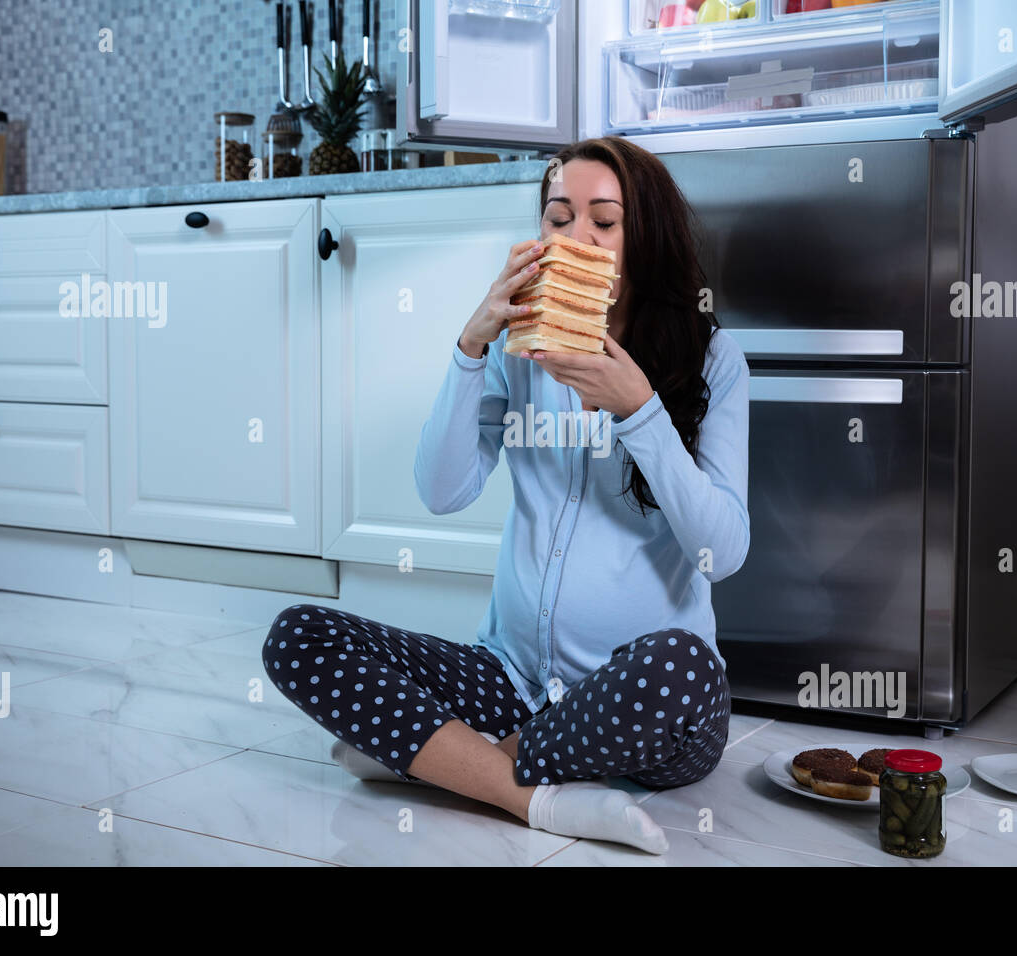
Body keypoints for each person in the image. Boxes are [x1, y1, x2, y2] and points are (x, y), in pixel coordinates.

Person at [263, 136, 750, 855]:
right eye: (558, 218)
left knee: (683, 668)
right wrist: (471, 346)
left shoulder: (713, 359)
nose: (575, 236)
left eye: (604, 222)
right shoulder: (519, 353)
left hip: (643, 700)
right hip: (514, 681)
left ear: (645, 238)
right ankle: (532, 799)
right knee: (300, 637)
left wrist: (640, 412)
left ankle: (440, 762)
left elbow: (724, 554)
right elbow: (442, 490)